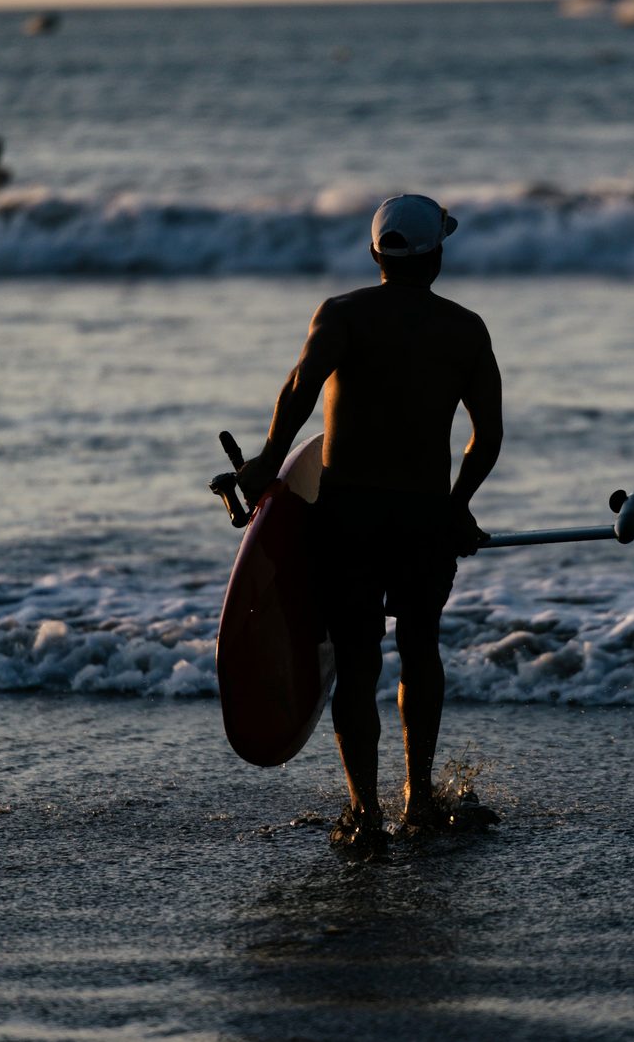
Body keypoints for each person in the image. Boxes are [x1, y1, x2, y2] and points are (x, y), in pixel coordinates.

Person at [238, 194, 503, 854]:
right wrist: (458, 502)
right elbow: (488, 434)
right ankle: (417, 797)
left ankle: (363, 810)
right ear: (437, 255)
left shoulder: (343, 315)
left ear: (376, 254)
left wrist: (267, 462)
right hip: (421, 517)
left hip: (348, 513)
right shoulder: (464, 330)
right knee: (420, 646)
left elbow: (300, 391)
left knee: (357, 659)